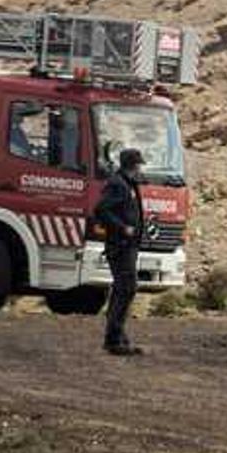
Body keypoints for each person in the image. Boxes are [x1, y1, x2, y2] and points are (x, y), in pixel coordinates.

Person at [93, 149, 146, 356]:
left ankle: (118, 336)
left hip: (128, 245)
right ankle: (114, 338)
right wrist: (123, 227)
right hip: (121, 245)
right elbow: (101, 210)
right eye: (138, 164)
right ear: (132, 165)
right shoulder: (118, 184)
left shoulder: (127, 183)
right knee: (126, 288)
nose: (140, 168)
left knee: (124, 289)